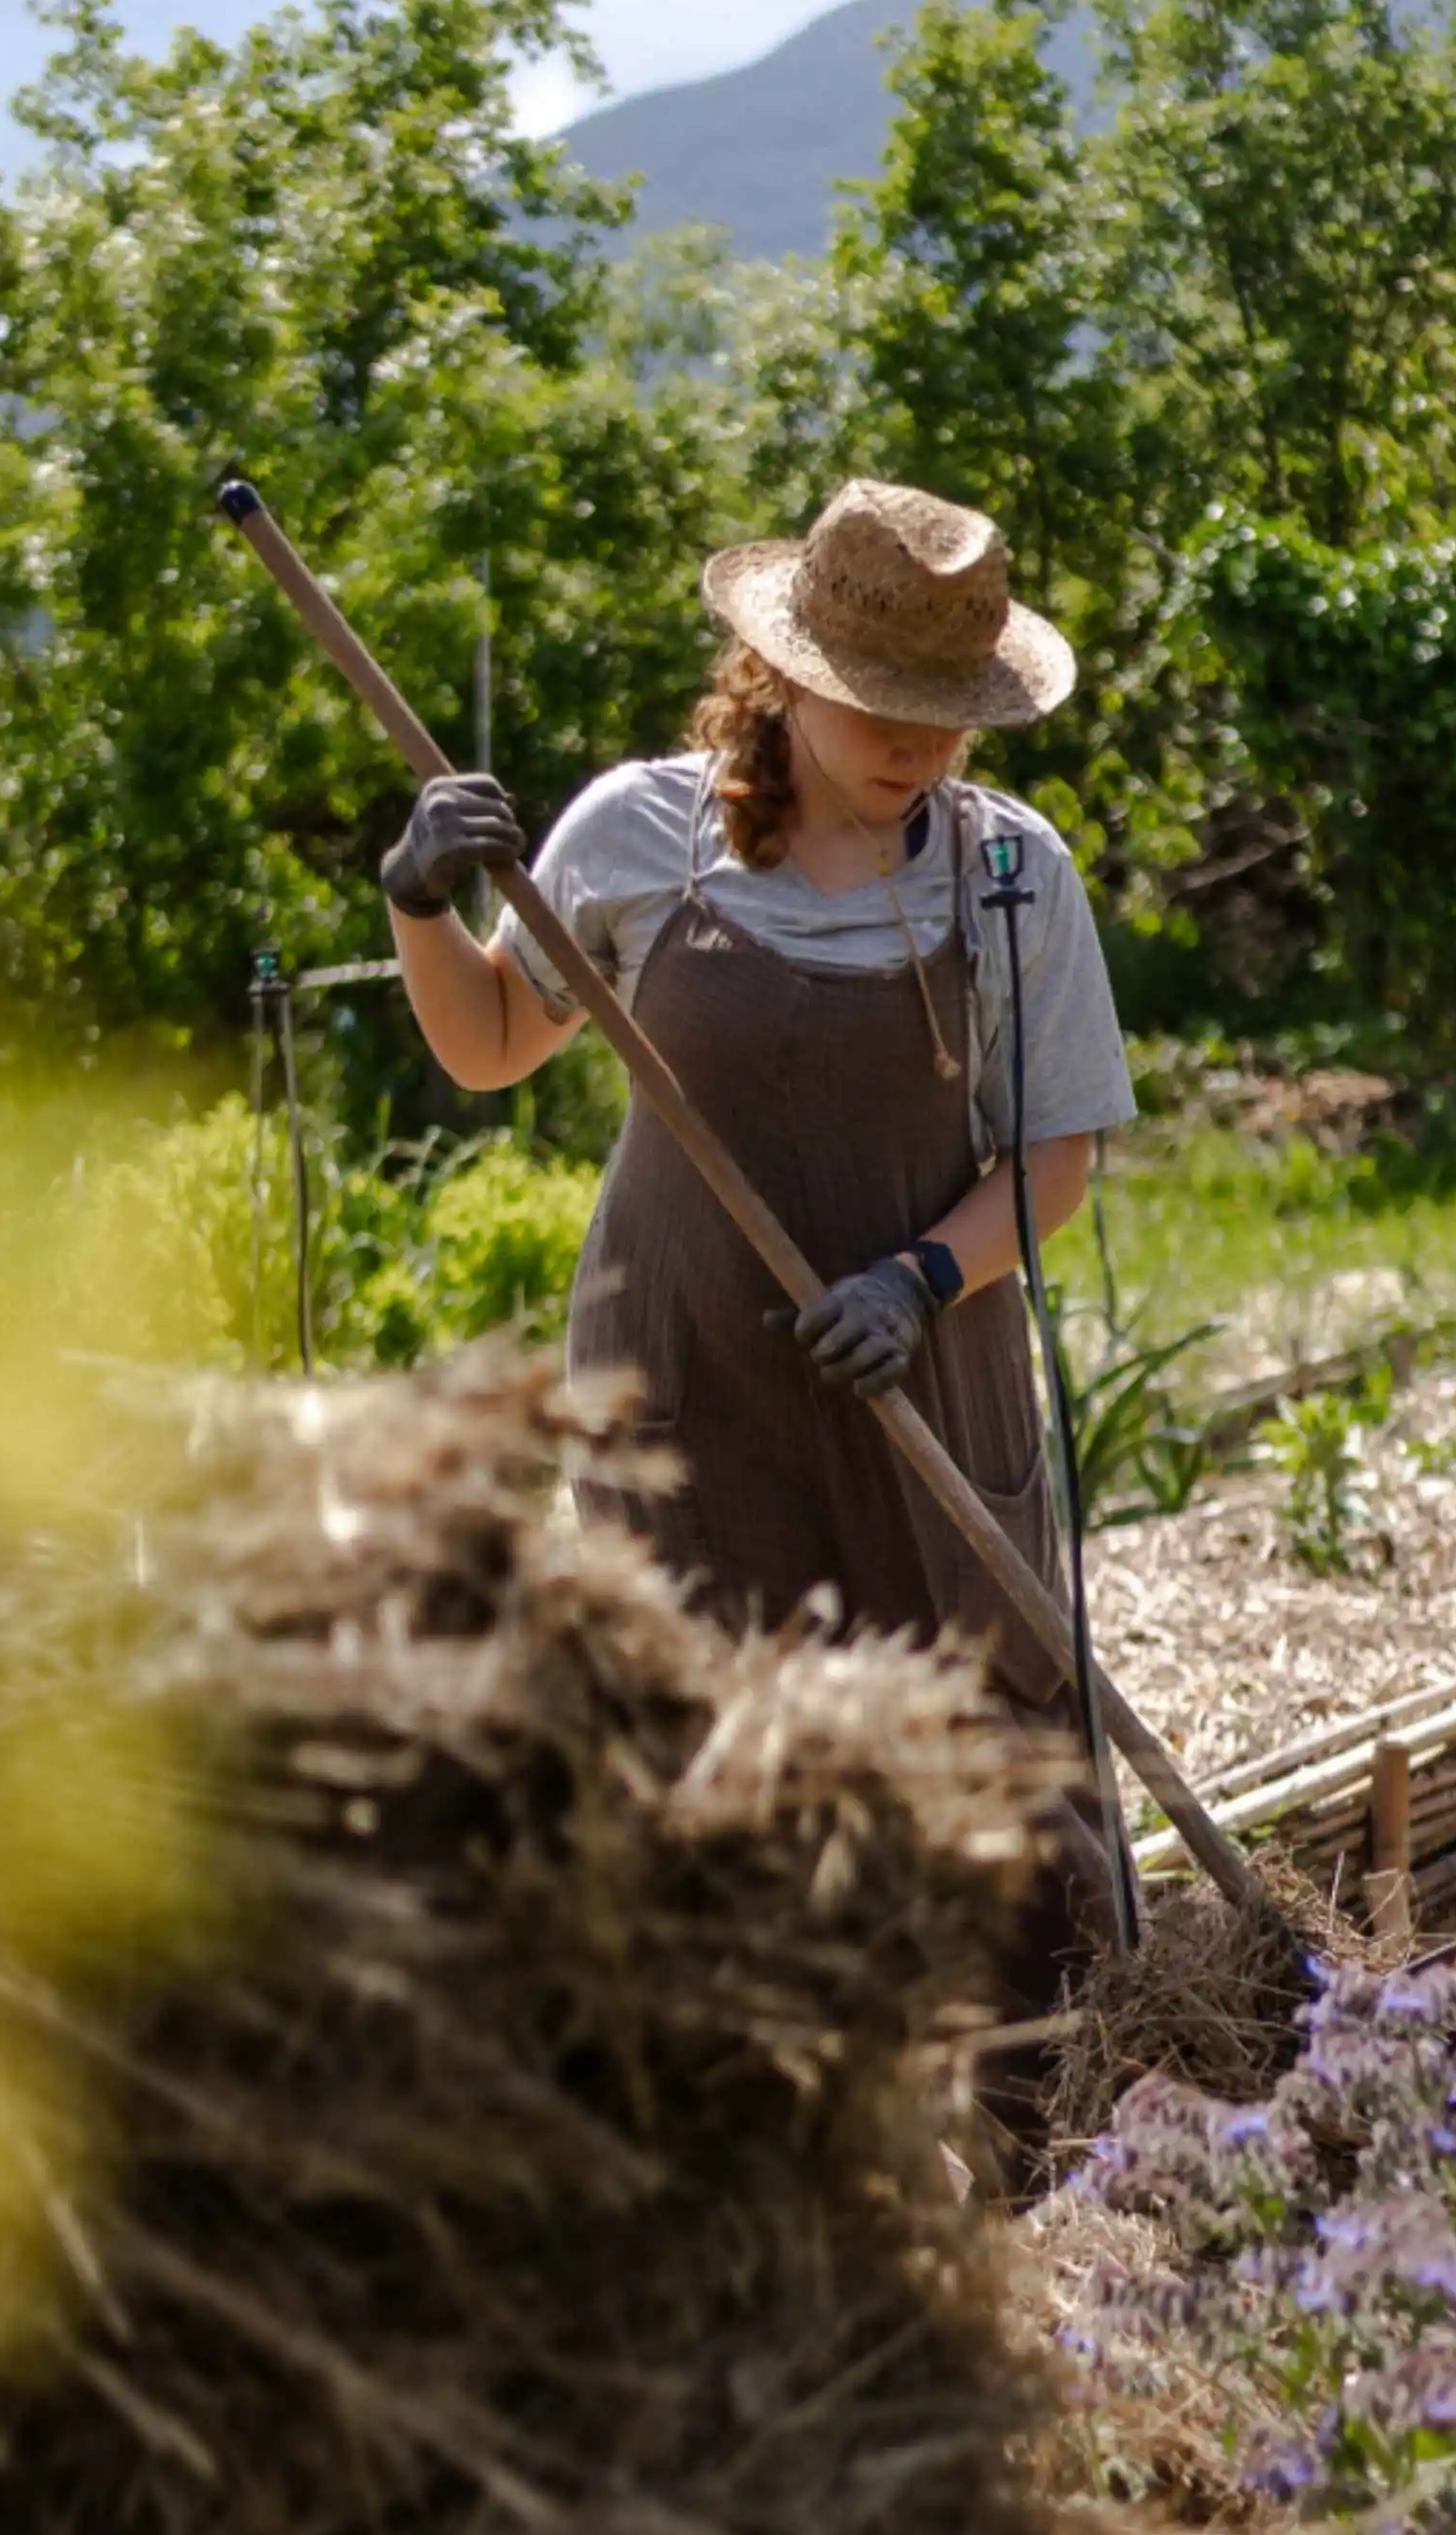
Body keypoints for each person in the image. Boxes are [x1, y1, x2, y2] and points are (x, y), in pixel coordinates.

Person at [379, 479, 1137, 2038]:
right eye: (877, 707)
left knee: (988, 1768)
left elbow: (1053, 1161)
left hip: (928, 1376)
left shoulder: (1005, 877)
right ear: (781, 673)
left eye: (946, 713)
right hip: (689, 1389)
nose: (915, 748)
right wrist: (417, 908)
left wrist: (917, 1282)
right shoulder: (644, 835)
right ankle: (774, 2130)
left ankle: (1043, 2130)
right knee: (728, 1765)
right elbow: (490, 1048)